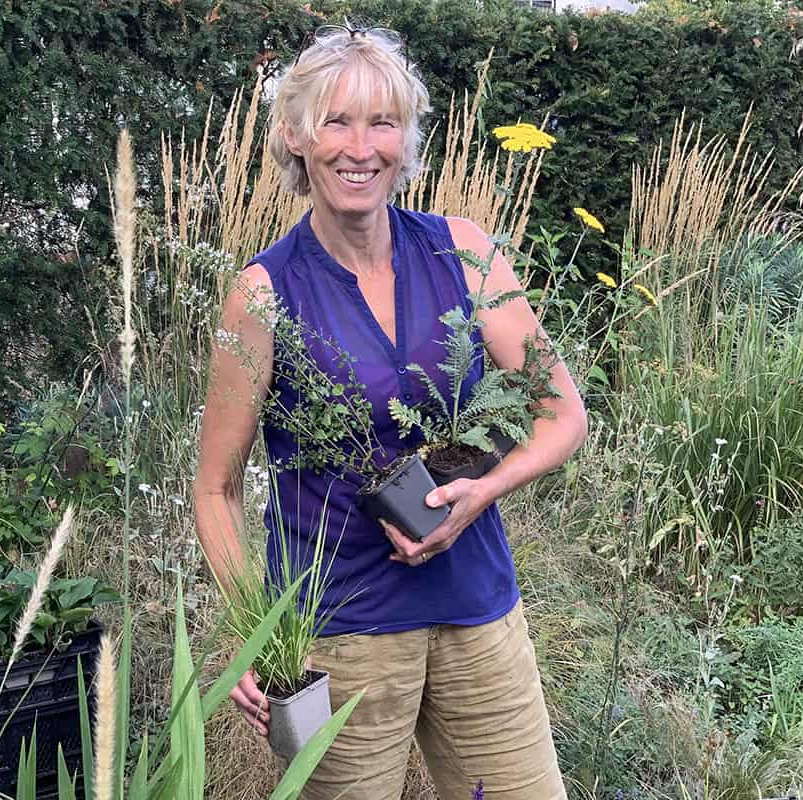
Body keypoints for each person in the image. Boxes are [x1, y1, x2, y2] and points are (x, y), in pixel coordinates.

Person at [193, 23, 588, 800]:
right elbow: (216, 489)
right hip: (335, 642)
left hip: (477, 609)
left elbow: (562, 414)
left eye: (383, 122)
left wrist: (481, 494)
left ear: (408, 142)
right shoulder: (264, 293)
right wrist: (253, 635)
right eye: (336, 121)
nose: (360, 146)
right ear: (296, 137)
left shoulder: (465, 252)